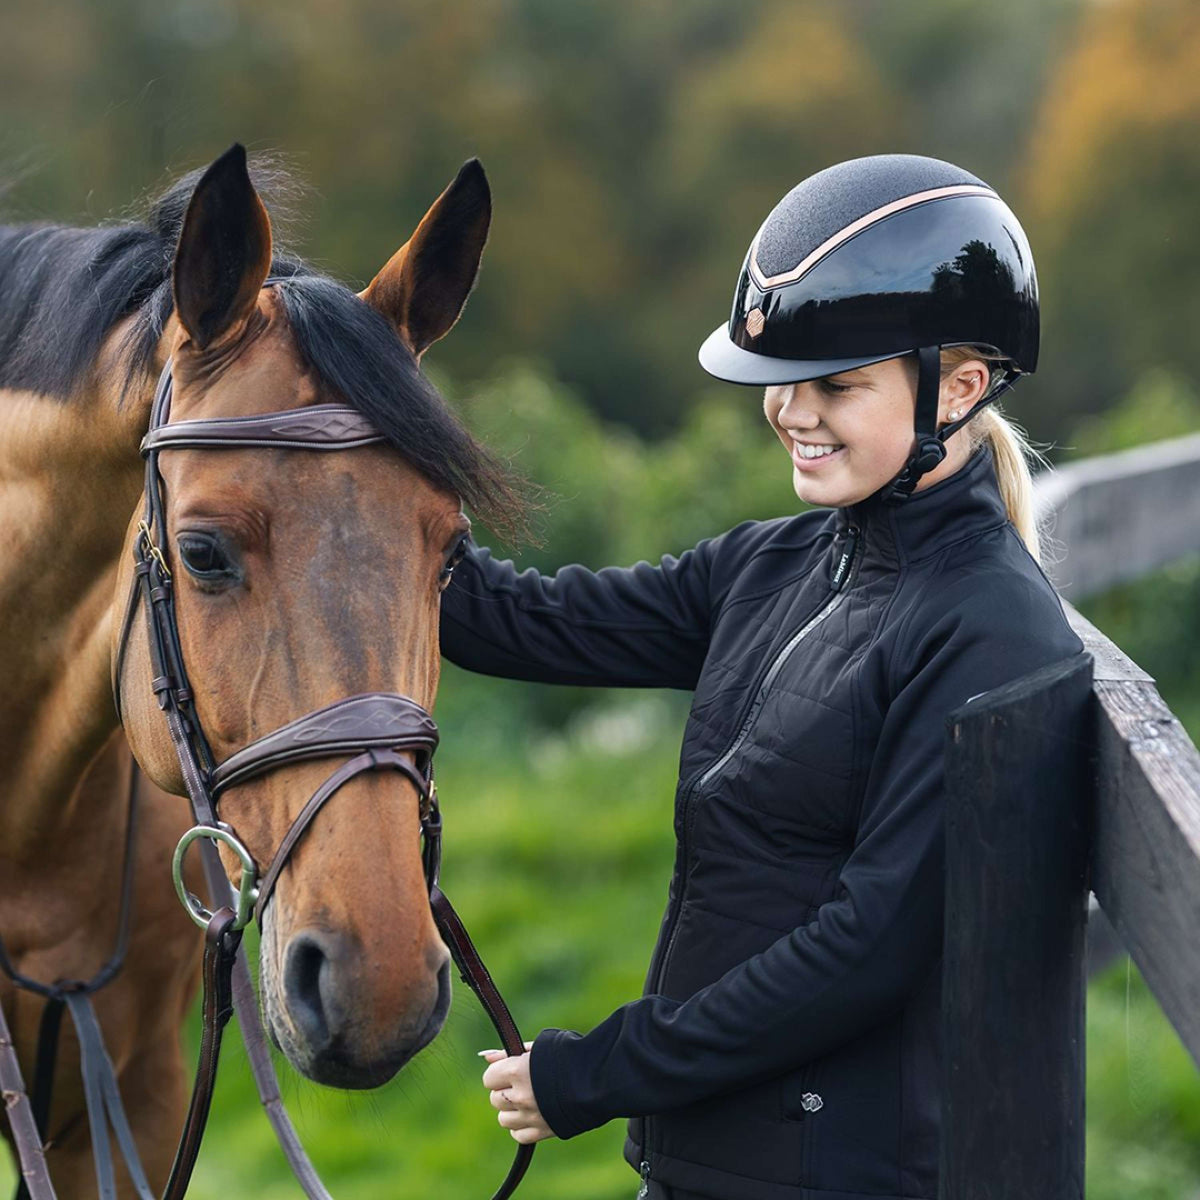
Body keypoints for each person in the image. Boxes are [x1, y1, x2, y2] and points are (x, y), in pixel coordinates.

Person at [446, 153, 1087, 1200]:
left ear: (960, 387)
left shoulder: (991, 634)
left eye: (836, 385)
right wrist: (352, 454)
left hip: (834, 1178)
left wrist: (599, 1072)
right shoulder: (777, 562)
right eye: (780, 380)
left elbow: (863, 951)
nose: (792, 410)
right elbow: (522, 622)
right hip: (712, 1161)